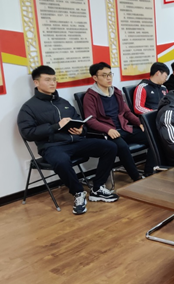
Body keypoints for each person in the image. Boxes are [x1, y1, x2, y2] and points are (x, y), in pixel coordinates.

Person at [17, 66, 119, 215]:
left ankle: (97, 188)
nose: (52, 83)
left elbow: (79, 121)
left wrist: (81, 130)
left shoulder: (63, 102)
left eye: (54, 79)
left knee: (110, 146)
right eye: (48, 80)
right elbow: (28, 133)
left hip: (75, 142)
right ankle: (78, 192)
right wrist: (56, 126)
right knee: (61, 160)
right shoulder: (28, 108)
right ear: (36, 83)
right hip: (52, 146)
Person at [84, 62, 156, 181]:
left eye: (110, 74)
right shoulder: (90, 96)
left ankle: (149, 171)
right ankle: (136, 177)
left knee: (153, 136)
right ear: (95, 78)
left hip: (124, 128)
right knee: (122, 147)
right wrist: (108, 130)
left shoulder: (116, 92)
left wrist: (139, 123)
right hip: (108, 133)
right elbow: (90, 120)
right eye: (104, 75)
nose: (108, 78)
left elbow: (127, 113)